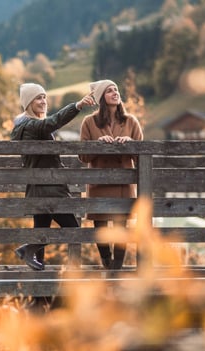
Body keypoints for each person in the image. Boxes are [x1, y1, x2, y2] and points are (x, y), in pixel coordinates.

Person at [12, 82, 95, 270]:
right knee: (73, 230)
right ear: (28, 103)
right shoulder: (32, 126)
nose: (43, 101)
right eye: (38, 98)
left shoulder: (26, 126)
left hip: (39, 189)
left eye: (44, 97)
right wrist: (78, 106)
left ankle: (40, 293)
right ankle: (28, 249)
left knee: (41, 231)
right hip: (49, 189)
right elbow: (54, 121)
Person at [79, 79, 143, 269]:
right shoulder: (89, 122)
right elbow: (83, 156)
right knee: (100, 226)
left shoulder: (131, 121)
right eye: (109, 91)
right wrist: (98, 144)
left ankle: (117, 267)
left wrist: (130, 143)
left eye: (116, 89)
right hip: (99, 184)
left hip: (123, 184)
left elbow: (142, 156)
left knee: (121, 227)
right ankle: (106, 262)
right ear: (101, 98)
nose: (115, 93)